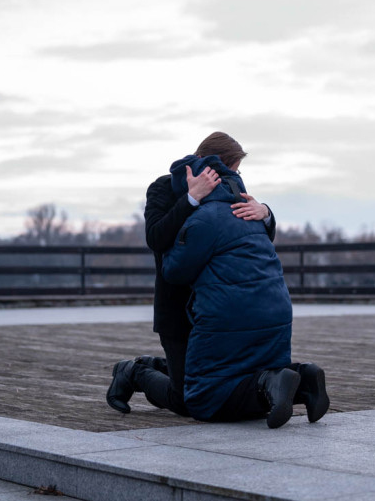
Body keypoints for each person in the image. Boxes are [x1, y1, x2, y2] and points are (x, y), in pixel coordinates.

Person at [106, 132, 276, 416]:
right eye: (223, 169)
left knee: (209, 381)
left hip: (214, 310)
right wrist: (191, 198)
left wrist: (265, 212)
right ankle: (132, 373)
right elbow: (156, 238)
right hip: (176, 308)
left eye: (234, 172)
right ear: (202, 161)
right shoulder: (163, 188)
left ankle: (158, 366)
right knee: (186, 398)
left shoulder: (229, 192)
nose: (227, 177)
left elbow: (252, 236)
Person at [163, 153, 330, 428]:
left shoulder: (203, 220)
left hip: (231, 314)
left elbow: (175, 271)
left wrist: (175, 239)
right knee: (252, 373)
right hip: (276, 311)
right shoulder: (251, 211)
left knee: (203, 399)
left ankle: (273, 381)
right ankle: (304, 380)